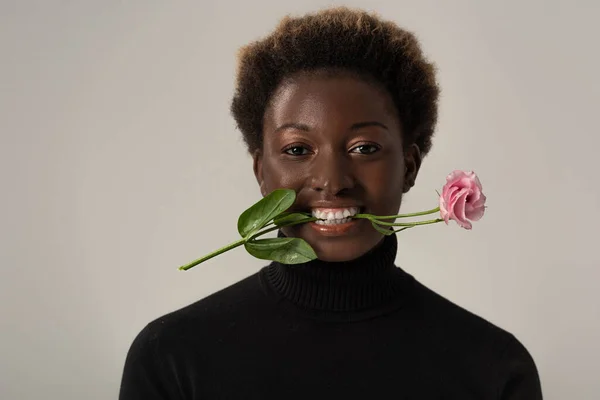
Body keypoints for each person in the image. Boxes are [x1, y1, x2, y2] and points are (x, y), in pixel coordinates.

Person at [119, 7, 543, 399]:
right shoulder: (170, 359)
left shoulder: (494, 369)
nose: (332, 182)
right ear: (261, 172)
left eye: (364, 147)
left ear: (410, 166)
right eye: (298, 150)